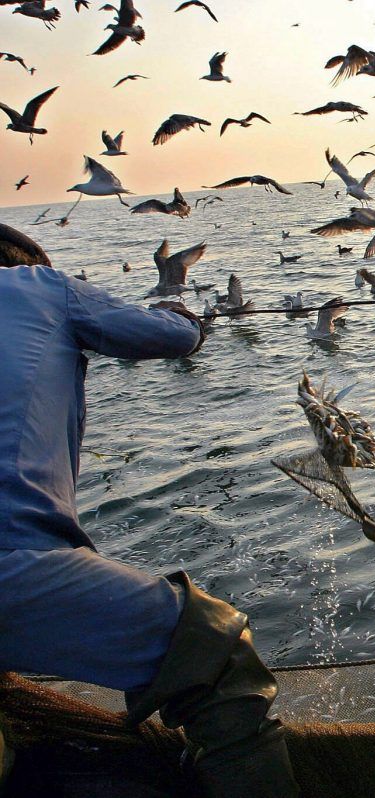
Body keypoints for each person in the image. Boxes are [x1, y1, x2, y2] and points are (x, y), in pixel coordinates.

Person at [0, 224, 298, 798]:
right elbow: (171, 339)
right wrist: (188, 319)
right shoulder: (38, 286)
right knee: (214, 650)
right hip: (12, 559)